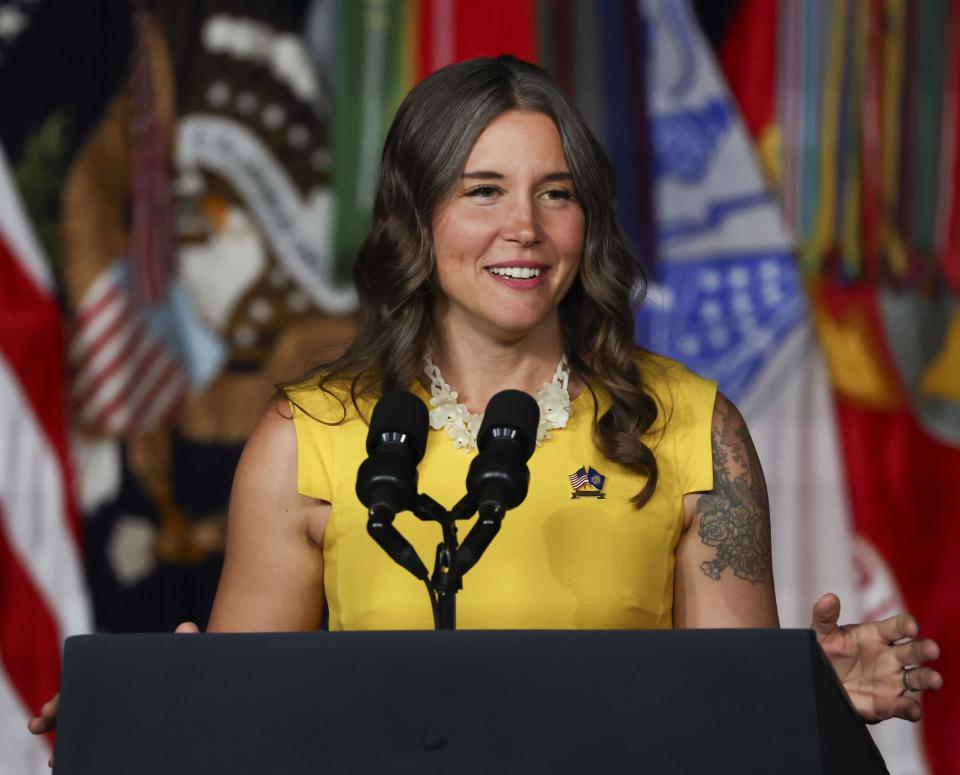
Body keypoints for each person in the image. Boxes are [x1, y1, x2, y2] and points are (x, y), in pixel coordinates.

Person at [31, 55, 940, 743]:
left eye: (557, 193)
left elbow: (734, 717)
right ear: (414, 217)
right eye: (483, 192)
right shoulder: (308, 436)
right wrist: (142, 714)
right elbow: (248, 725)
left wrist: (808, 692)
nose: (528, 229)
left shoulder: (692, 427)